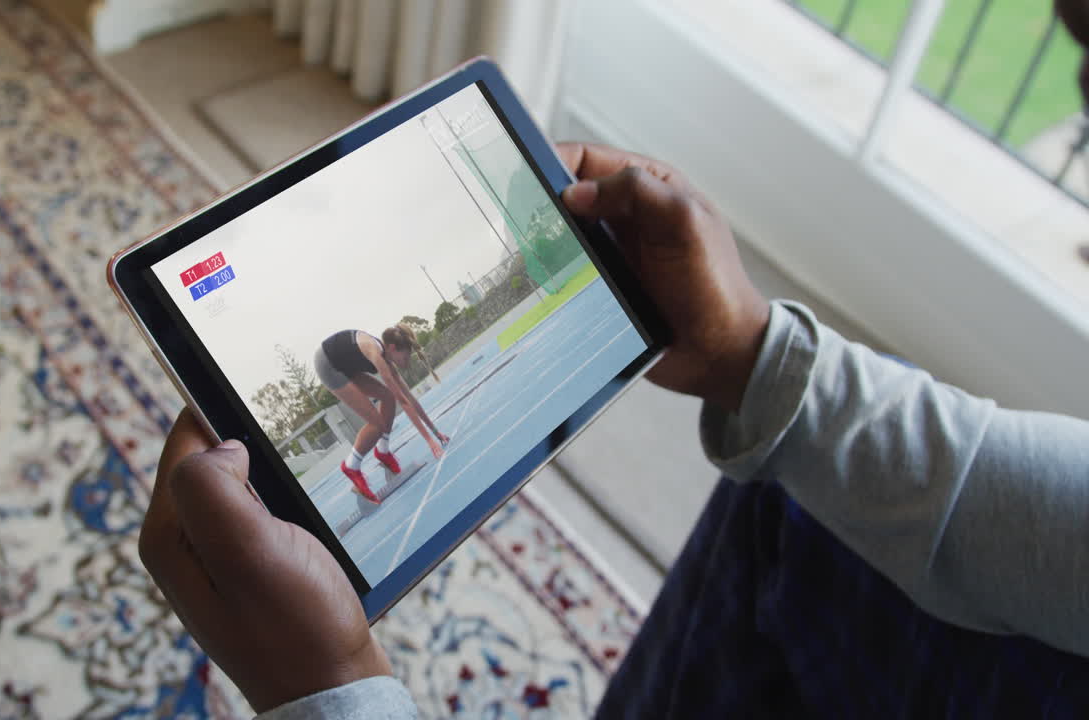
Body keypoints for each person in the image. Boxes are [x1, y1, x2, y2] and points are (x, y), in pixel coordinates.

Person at [138, 154, 1089, 715]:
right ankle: (370, 459)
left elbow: (411, 398)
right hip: (325, 368)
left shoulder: (394, 342)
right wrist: (754, 357)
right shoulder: (371, 347)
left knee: (391, 418)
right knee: (778, 507)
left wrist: (333, 685)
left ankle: (374, 456)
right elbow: (398, 395)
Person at [313, 324, 450, 503]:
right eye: (405, 356)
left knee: (387, 397)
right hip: (327, 364)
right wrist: (429, 442)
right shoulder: (376, 354)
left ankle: (383, 452)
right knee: (377, 424)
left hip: (344, 364)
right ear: (392, 348)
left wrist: (434, 431)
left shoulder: (387, 359)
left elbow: (409, 397)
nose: (406, 362)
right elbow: (405, 403)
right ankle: (351, 466)